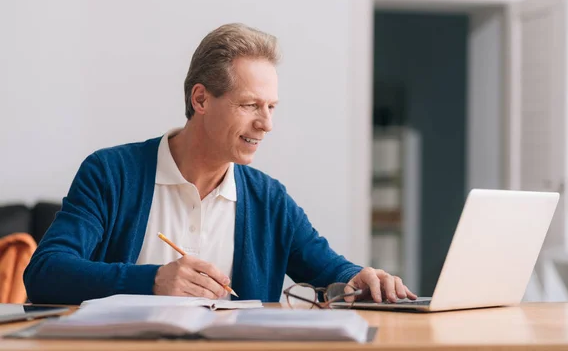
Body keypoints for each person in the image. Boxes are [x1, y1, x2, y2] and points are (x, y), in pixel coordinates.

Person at [24, 23, 417, 305]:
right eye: (250, 106)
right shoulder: (110, 173)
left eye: (271, 107)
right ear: (201, 100)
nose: (266, 123)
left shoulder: (268, 199)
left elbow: (327, 267)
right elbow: (45, 273)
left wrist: (359, 277)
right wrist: (155, 280)